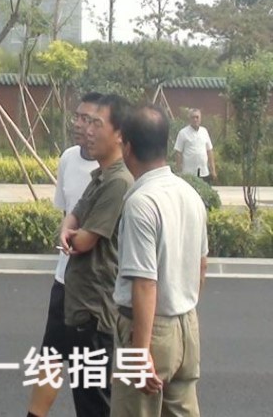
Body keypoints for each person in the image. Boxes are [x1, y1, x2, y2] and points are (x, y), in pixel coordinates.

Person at [111, 105, 208, 417]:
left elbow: (144, 282)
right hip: (187, 326)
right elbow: (201, 266)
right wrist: (183, 308)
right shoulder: (190, 195)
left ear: (127, 148)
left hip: (150, 330)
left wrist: (140, 353)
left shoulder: (141, 202)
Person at [26, 92, 101, 417]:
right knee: (51, 355)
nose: (79, 124)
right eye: (77, 117)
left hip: (97, 288)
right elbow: (67, 212)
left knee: (91, 374)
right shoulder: (68, 158)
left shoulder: (115, 171)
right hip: (64, 279)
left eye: (89, 120)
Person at [59, 94, 134, 417]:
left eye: (96, 124)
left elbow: (84, 240)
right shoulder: (100, 176)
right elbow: (72, 216)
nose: (88, 130)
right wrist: (69, 229)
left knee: (95, 404)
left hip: (96, 312)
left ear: (119, 134)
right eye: (86, 122)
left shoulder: (117, 182)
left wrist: (72, 234)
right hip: (83, 309)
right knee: (86, 399)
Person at [174, 108, 216, 183]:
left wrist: (213, 170)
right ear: (189, 119)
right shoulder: (183, 133)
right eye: (193, 117)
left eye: (197, 117)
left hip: (203, 172)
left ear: (200, 118)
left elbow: (209, 151)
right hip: (188, 173)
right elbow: (178, 153)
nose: (195, 119)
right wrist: (178, 171)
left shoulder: (204, 131)